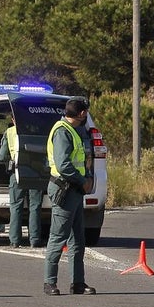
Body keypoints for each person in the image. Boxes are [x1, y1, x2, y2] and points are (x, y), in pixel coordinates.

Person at [42, 97, 97, 296]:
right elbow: (63, 164)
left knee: (77, 240)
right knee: (58, 238)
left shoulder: (75, 130)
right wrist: (82, 180)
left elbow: (84, 159)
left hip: (75, 190)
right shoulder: (63, 132)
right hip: (65, 188)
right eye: (86, 112)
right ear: (82, 113)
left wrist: (86, 179)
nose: (87, 115)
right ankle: (49, 283)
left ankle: (78, 283)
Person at [0, 112, 43, 248]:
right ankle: (34, 240)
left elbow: (1, 157)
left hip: (17, 173)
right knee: (35, 207)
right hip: (36, 173)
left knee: (16, 207)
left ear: (13, 119)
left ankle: (15, 241)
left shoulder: (10, 132)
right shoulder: (38, 131)